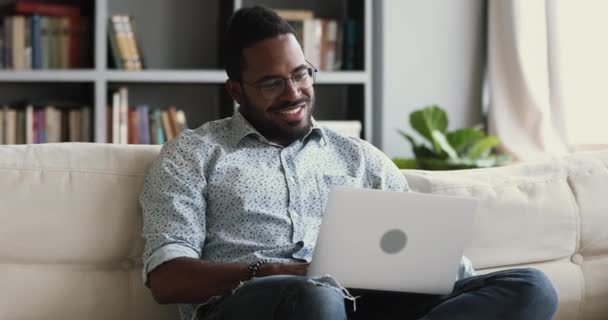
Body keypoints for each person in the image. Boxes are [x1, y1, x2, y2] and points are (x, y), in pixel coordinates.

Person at [140, 6, 558, 320]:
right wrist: (270, 270)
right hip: (258, 303)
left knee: (531, 287)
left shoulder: (359, 157)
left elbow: (426, 251)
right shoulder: (193, 154)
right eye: (271, 83)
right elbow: (167, 279)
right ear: (236, 90)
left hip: (367, 304)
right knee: (317, 293)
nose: (294, 93)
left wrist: (445, 268)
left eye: (301, 74)